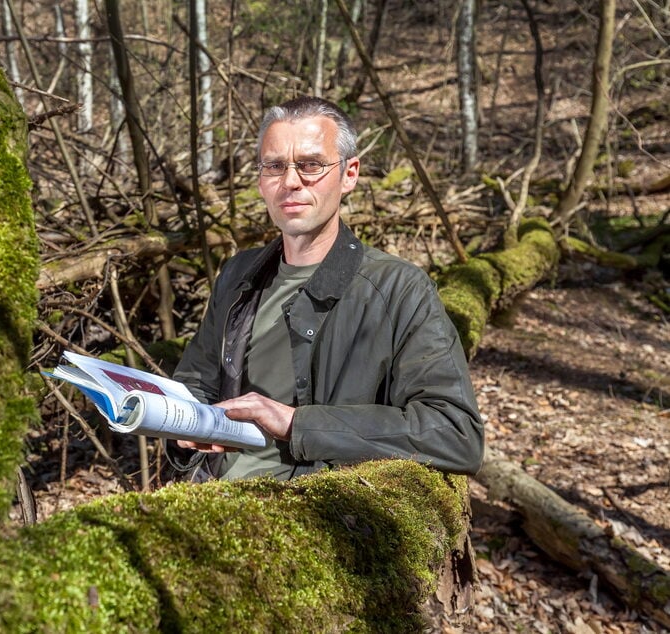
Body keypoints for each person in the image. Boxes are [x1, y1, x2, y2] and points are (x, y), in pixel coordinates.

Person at [173, 95, 484, 481]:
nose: (290, 182)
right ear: (260, 180)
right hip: (213, 500)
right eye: (274, 166)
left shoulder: (399, 289)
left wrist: (296, 424)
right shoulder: (240, 274)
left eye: (311, 165)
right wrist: (178, 419)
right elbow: (197, 381)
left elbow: (456, 432)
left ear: (349, 174)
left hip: (315, 516)